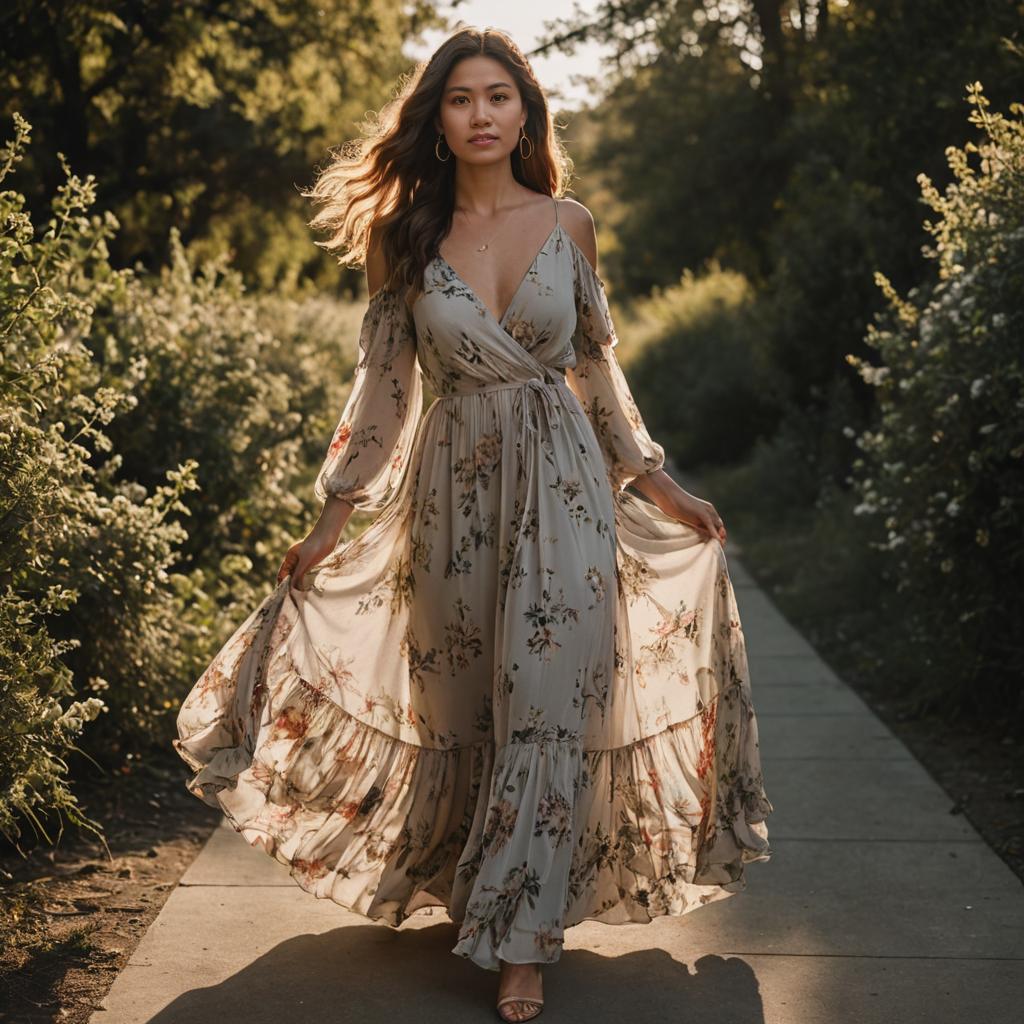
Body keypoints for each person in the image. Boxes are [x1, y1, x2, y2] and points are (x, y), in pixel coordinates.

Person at [174, 25, 773, 1024]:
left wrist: (656, 482)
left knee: (548, 701)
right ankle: (477, 888)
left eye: (501, 96)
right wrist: (333, 516)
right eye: (462, 99)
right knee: (464, 709)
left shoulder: (568, 222)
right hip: (450, 503)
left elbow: (594, 369)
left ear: (526, 113)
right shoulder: (403, 235)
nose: (483, 114)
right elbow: (382, 389)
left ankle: (523, 941)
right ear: (436, 119)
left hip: (567, 495)